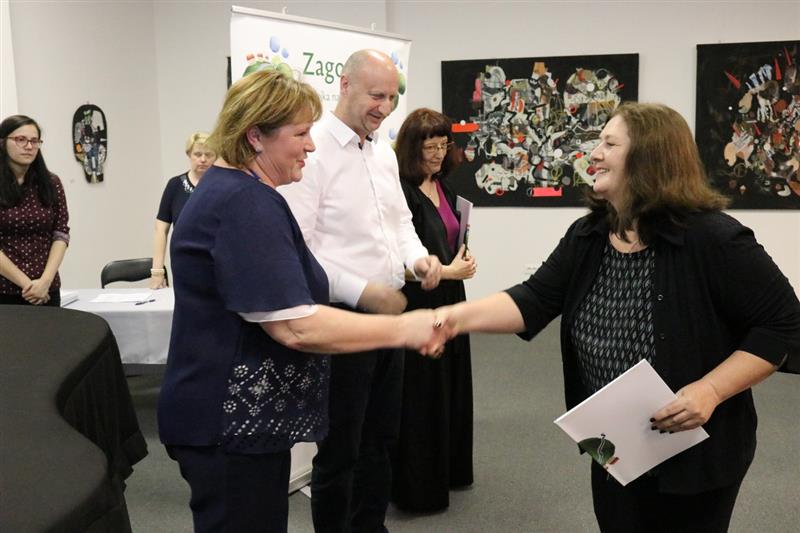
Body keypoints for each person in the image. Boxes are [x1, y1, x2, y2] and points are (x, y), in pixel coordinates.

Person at [433, 102, 800, 533]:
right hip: (616, 444)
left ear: (649, 157)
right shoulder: (589, 234)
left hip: (696, 456)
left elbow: (784, 325)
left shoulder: (714, 238)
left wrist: (711, 390)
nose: (594, 153)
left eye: (609, 144)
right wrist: (454, 317)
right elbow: (532, 300)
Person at [157, 69, 445, 533]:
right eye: (300, 134)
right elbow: (295, 326)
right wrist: (403, 328)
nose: (310, 146)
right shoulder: (243, 203)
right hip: (229, 423)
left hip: (237, 421)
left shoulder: (241, 194)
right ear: (255, 136)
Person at [280, 50, 443, 532]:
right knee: (340, 449)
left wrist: (418, 259)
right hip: (340, 318)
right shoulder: (311, 153)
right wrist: (362, 291)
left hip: (389, 317)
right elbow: (300, 248)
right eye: (376, 95)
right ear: (345, 85)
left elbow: (401, 224)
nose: (385, 107)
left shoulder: (382, 154)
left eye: (392, 97)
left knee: (381, 439)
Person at [391, 108, 476, 512]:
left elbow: (450, 238)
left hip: (451, 297)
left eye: (444, 145)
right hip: (421, 301)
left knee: (451, 386)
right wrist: (448, 270)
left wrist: (461, 262)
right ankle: (419, 487)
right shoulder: (401, 192)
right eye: (431, 147)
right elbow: (399, 261)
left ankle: (450, 470)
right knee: (423, 393)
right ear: (413, 148)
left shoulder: (442, 185)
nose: (440, 154)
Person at [0, 115, 69, 307]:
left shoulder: (51, 182)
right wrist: (28, 285)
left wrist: (45, 281)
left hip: (47, 289)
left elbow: (61, 233)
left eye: (34, 141)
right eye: (21, 139)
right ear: (3, 142)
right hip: (5, 291)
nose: (29, 146)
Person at [149, 132, 216, 288]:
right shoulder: (175, 185)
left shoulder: (222, 185)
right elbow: (160, 229)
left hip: (216, 265)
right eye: (197, 154)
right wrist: (157, 272)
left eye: (208, 154)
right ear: (189, 155)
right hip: (184, 264)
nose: (203, 159)